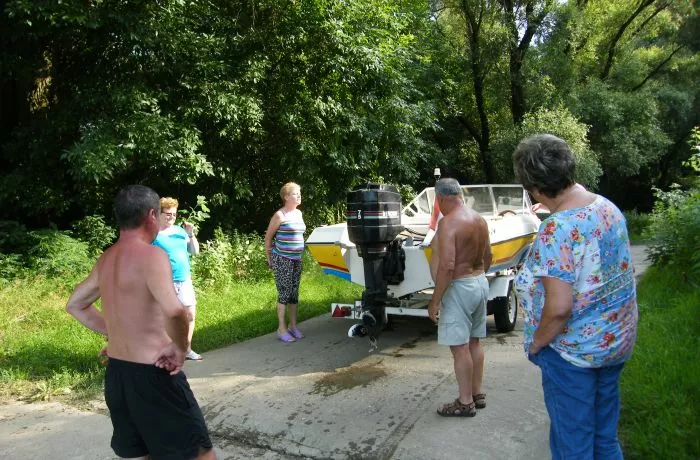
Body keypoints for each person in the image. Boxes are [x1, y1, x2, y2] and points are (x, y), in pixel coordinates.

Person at [66, 185, 216, 459]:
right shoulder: (152, 255)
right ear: (151, 215)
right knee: (199, 455)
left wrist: (117, 332)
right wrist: (180, 348)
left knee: (140, 454)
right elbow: (176, 311)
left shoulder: (107, 258)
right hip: (154, 375)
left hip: (117, 376)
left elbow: (75, 304)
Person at [512, 134, 638, 460]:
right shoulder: (606, 207)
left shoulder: (557, 229)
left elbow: (559, 308)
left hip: (573, 355)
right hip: (614, 342)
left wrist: (537, 343)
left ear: (534, 188)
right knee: (604, 439)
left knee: (573, 447)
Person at [427, 178, 492, 417]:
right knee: (474, 342)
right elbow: (489, 256)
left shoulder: (448, 223)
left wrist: (435, 301)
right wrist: (478, 278)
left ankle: (465, 403)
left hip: (460, 287)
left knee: (460, 347)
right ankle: (477, 393)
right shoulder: (479, 219)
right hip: (480, 282)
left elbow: (447, 266)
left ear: (440, 199)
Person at [153, 196, 202, 361]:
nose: (171, 217)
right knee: (167, 318)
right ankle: (166, 351)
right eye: (168, 214)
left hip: (184, 279)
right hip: (165, 281)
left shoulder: (180, 232)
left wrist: (191, 234)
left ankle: (186, 349)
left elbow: (194, 251)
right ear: (158, 214)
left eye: (174, 214)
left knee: (190, 314)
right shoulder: (153, 234)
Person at [265, 182, 306, 343]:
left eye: (299, 193)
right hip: (282, 259)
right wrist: (269, 259)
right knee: (284, 293)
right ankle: (281, 329)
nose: (299, 195)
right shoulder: (279, 215)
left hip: (296, 259)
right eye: (295, 193)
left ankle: (293, 326)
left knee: (294, 294)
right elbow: (268, 238)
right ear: (286, 197)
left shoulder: (299, 214)